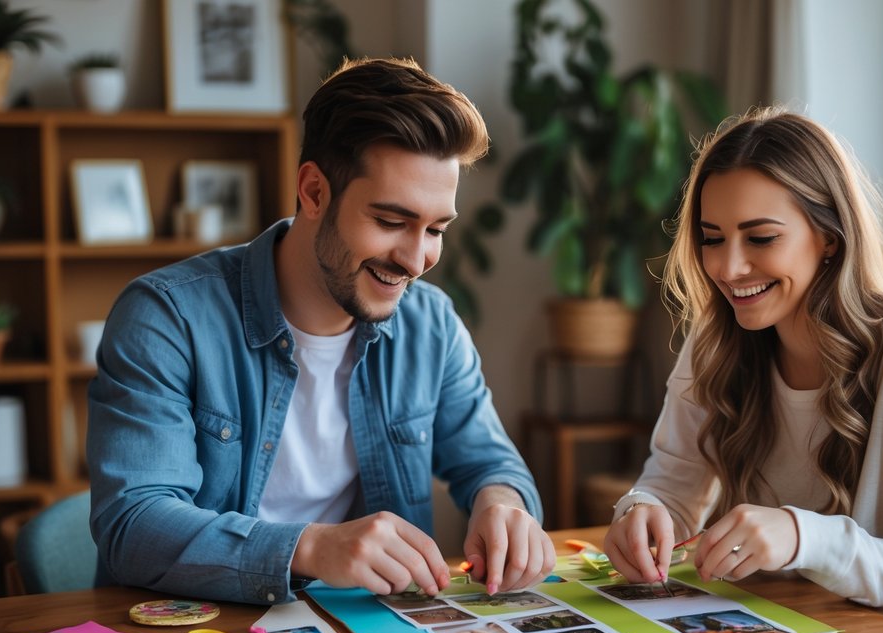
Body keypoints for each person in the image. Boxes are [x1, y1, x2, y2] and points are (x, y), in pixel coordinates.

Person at [87, 57, 555, 605]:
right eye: (390, 222)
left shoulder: (431, 324)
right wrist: (309, 549)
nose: (416, 258)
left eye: (436, 229)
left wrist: (504, 506)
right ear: (313, 192)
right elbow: (134, 525)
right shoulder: (166, 317)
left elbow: (489, 463)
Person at [603, 107, 883, 633]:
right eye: (712, 237)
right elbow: (671, 486)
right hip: (767, 631)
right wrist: (642, 510)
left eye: (760, 238)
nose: (729, 269)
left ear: (829, 236)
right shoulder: (718, 336)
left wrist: (805, 537)